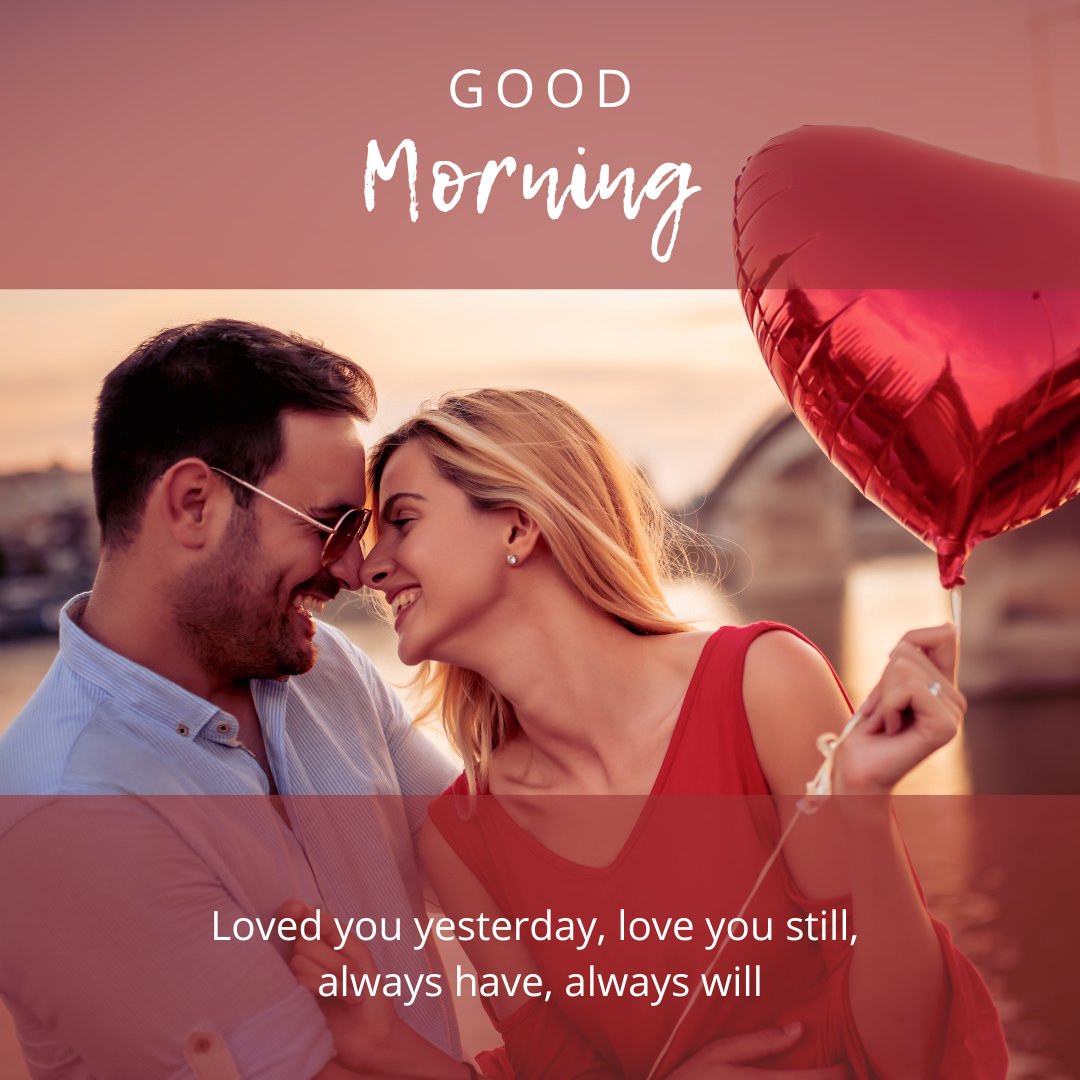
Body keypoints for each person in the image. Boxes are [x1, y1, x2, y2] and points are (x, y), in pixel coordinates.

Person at [293, 388, 1008, 1078]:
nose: (368, 565)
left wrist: (863, 803)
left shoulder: (765, 686)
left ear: (517, 524)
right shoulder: (458, 841)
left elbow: (911, 1059)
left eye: (403, 520)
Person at [0, 319, 477, 1079]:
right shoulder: (61, 806)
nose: (355, 570)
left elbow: (491, 866)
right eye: (331, 525)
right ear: (193, 504)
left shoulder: (325, 670)